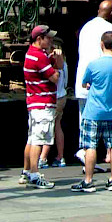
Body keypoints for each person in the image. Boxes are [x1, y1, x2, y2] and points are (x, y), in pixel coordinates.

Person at [72, 30, 112, 193]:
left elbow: (84, 83)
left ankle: (88, 181)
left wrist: (91, 85)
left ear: (101, 44)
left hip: (94, 110)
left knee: (91, 146)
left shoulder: (94, 64)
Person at [75, 1, 112, 173]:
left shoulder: (85, 27)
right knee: (101, 122)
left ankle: (86, 155)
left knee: (84, 119)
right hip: (98, 81)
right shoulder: (108, 27)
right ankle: (89, 153)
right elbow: (105, 53)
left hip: (82, 78)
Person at [20, 25, 61, 189]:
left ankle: (26, 171)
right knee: (38, 139)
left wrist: (54, 58)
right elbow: (55, 77)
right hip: (42, 104)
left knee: (31, 138)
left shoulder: (33, 54)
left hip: (34, 102)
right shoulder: (39, 57)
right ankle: (35, 174)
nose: (51, 41)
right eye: (48, 38)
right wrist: (56, 66)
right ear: (39, 39)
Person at [38, 36, 69, 169]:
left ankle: (43, 157)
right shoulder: (64, 63)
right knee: (57, 126)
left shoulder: (55, 63)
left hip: (54, 97)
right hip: (62, 95)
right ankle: (60, 156)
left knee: (48, 127)